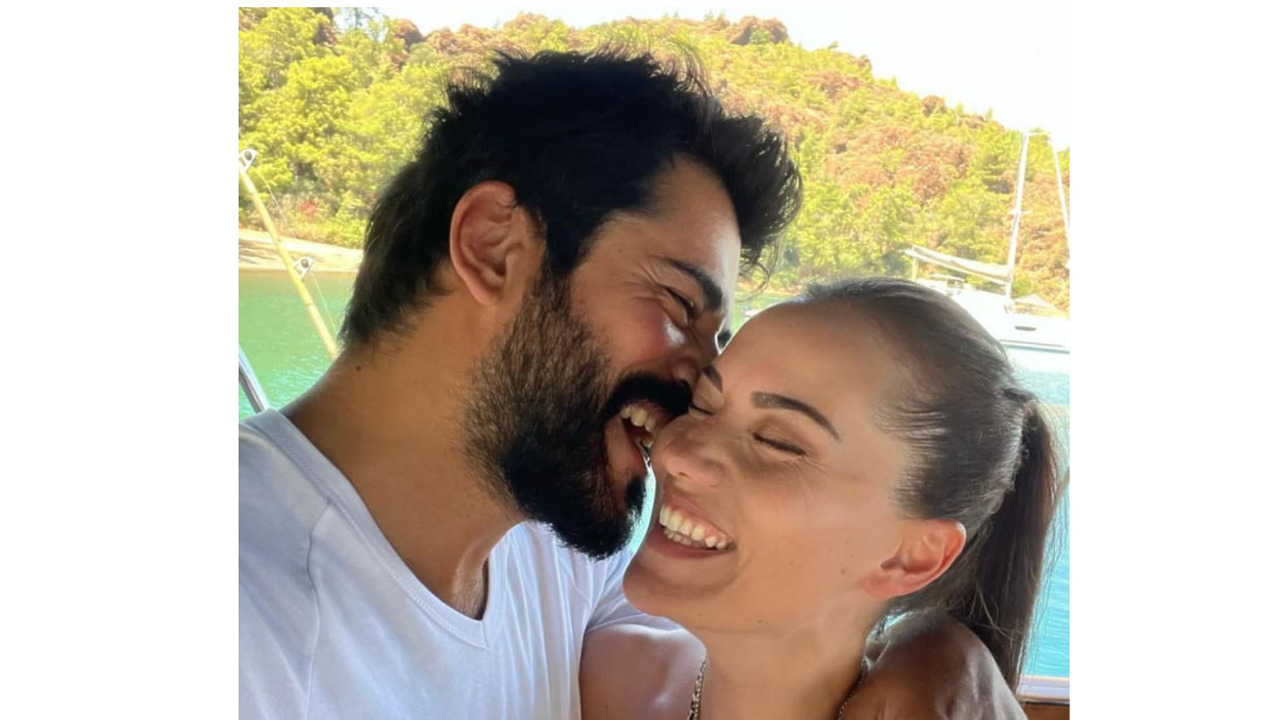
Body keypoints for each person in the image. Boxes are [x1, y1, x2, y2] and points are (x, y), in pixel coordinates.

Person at [240, 48, 1023, 718]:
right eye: (678, 306)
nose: (688, 407)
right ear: (493, 248)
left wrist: (938, 643)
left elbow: (778, 629)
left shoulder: (552, 540)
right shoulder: (248, 625)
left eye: (713, 349)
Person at [581, 277, 1064, 719]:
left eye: (777, 443)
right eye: (702, 405)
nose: (677, 454)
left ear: (910, 557)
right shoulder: (594, 679)